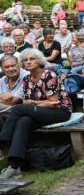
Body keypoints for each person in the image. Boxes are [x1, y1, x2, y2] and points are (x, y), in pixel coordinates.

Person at [0, 49, 72, 179]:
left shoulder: (49, 75)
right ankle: (14, 167)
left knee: (18, 109)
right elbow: (29, 102)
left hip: (60, 111)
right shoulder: (27, 79)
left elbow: (53, 103)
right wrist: (33, 103)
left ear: (39, 60)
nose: (28, 62)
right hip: (41, 112)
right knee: (23, 121)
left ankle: (1, 143)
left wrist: (33, 102)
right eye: (25, 60)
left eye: (31, 59)